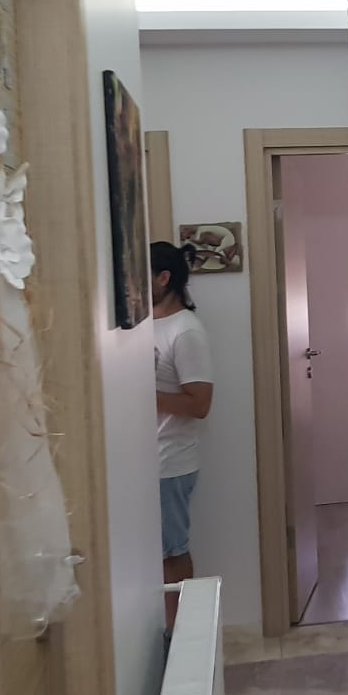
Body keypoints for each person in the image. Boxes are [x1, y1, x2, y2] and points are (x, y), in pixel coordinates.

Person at [152, 241, 214, 632]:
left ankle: (183, 637)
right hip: (148, 462)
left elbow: (200, 404)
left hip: (171, 462)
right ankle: (167, 632)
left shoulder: (186, 331)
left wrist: (140, 394)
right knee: (156, 555)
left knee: (172, 554)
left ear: (164, 278)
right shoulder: (144, 324)